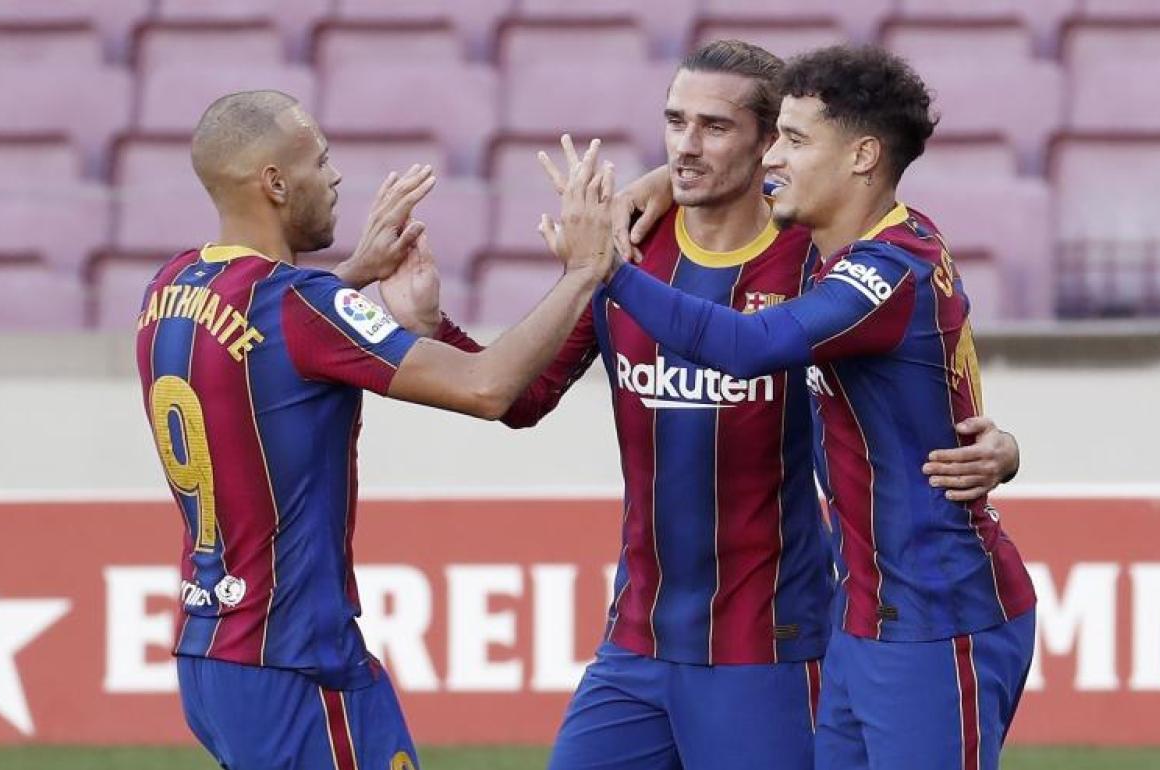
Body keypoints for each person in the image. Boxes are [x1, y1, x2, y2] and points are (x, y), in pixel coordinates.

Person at [393, 42, 1020, 770]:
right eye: (674, 123)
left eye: (716, 128)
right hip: (638, 640)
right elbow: (524, 396)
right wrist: (431, 326)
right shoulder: (634, 242)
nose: (687, 147)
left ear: (768, 148)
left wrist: (1002, 445)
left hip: (773, 644)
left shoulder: (816, 259)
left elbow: (901, 349)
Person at [135, 90, 615, 770]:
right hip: (297, 659)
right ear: (275, 183)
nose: (333, 178)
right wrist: (584, 272)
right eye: (321, 162)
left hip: (211, 655)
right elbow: (487, 387)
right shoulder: (304, 306)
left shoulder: (171, 284)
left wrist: (352, 275)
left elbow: (266, 333)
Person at [595, 46, 1037, 770]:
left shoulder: (887, 270)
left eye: (795, 141)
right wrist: (665, 182)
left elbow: (751, 344)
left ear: (862, 156)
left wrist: (608, 270)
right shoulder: (873, 243)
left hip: (938, 615)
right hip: (863, 618)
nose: (773, 157)